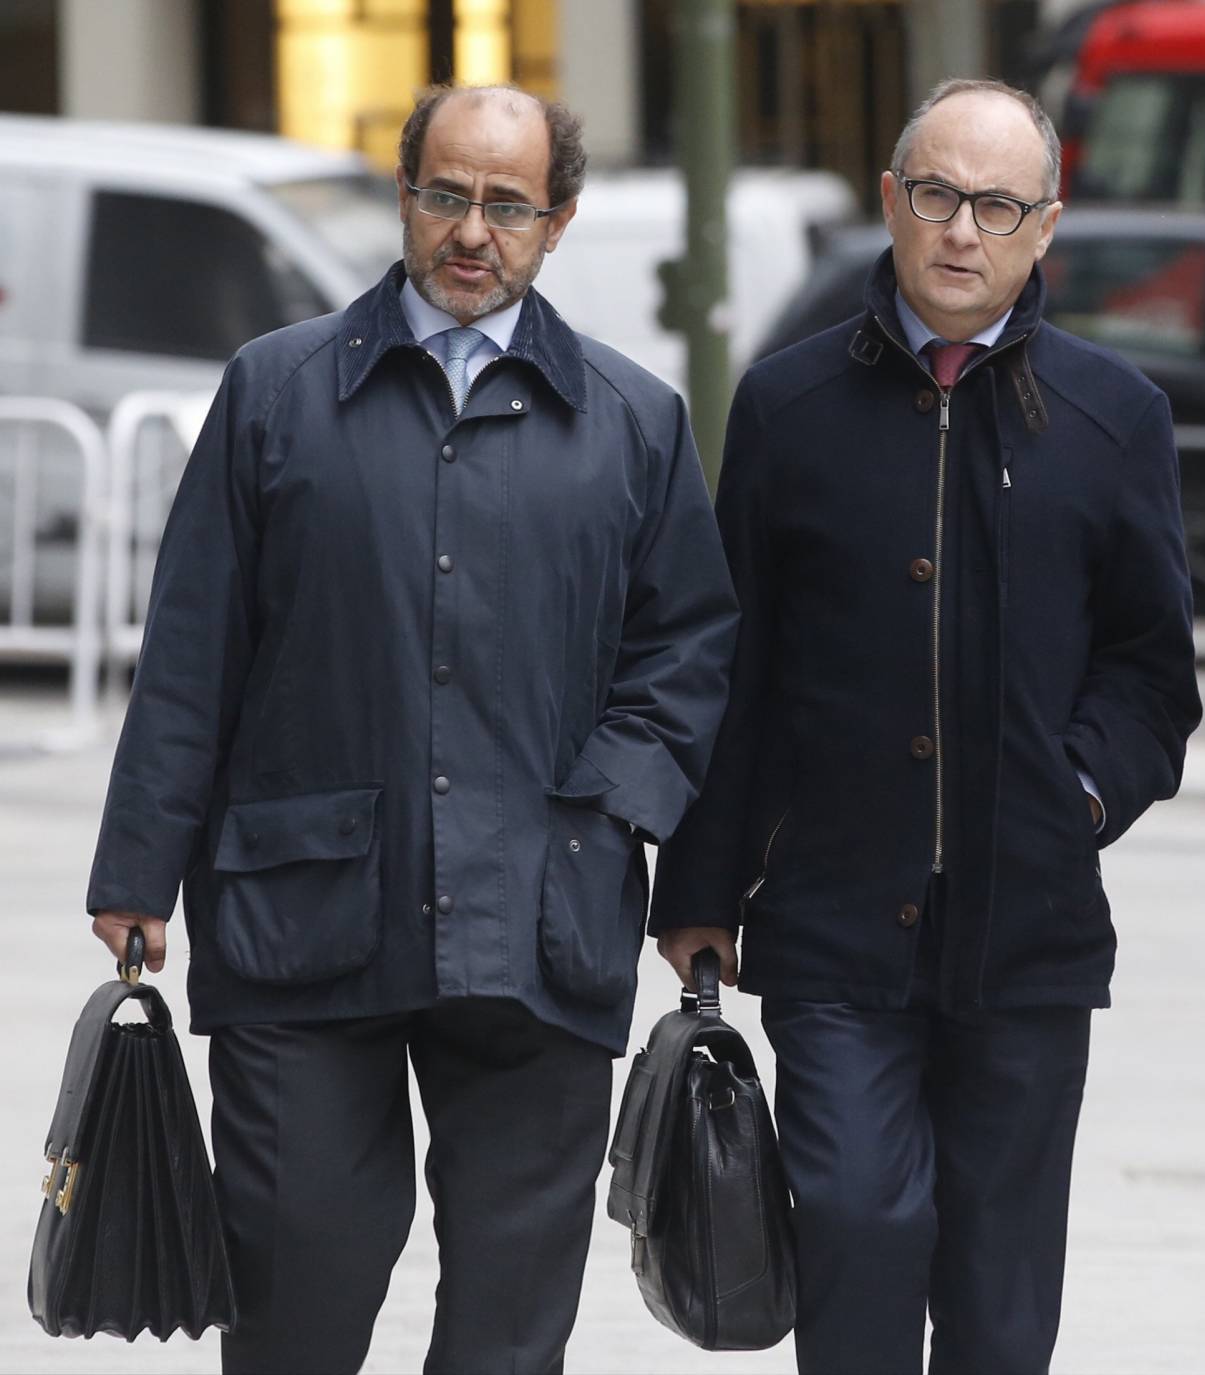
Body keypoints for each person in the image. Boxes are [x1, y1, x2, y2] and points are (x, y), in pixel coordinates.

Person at [84, 84, 736, 1372]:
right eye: (447, 194)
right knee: (294, 1277)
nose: (473, 231)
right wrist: (135, 867)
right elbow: (195, 640)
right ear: (404, 197)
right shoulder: (276, 391)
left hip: (542, 916)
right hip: (305, 908)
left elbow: (691, 650)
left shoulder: (635, 421)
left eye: (508, 204)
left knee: (509, 1313)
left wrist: (613, 804)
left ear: (558, 221)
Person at [650, 78, 1200, 1374]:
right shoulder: (788, 409)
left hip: (1032, 931)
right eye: (939, 195)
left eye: (997, 206)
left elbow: (1151, 673)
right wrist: (701, 883)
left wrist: (1077, 794)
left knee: (1002, 1299)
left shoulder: (1117, 419)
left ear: (1045, 226)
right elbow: (739, 664)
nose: (963, 230)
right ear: (894, 203)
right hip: (838, 918)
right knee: (855, 1217)